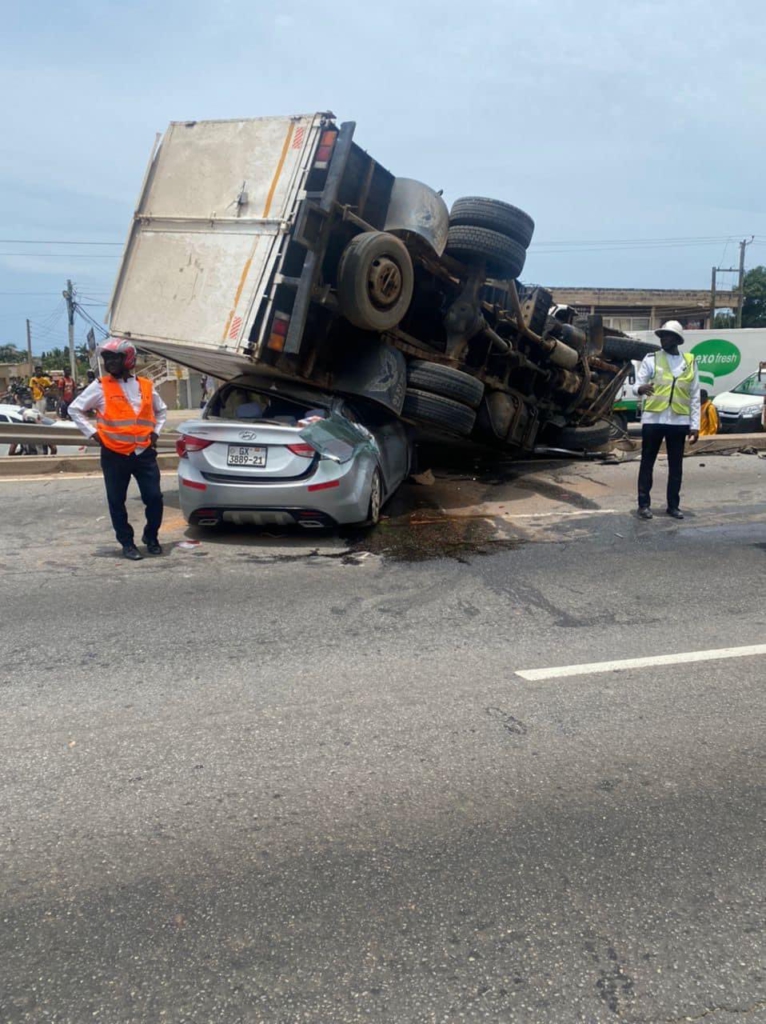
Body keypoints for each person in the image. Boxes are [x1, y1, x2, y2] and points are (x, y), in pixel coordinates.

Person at [68, 339, 167, 561]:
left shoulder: (145, 385)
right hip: (114, 455)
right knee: (116, 501)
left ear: (128, 359)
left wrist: (156, 433)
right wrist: (93, 435)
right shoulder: (100, 386)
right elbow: (75, 409)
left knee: (154, 498)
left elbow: (161, 411)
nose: (110, 362)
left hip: (143, 452)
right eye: (107, 358)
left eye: (115, 358)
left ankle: (151, 537)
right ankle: (127, 543)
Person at [635, 320, 700, 520]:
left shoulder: (689, 361)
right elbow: (638, 384)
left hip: (678, 422)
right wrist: (640, 389)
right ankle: (644, 505)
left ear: (677, 340)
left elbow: (695, 394)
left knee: (676, 466)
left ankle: (673, 506)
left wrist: (695, 425)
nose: (663, 339)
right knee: (647, 462)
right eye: (662, 335)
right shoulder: (651, 358)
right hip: (654, 419)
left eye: (667, 336)